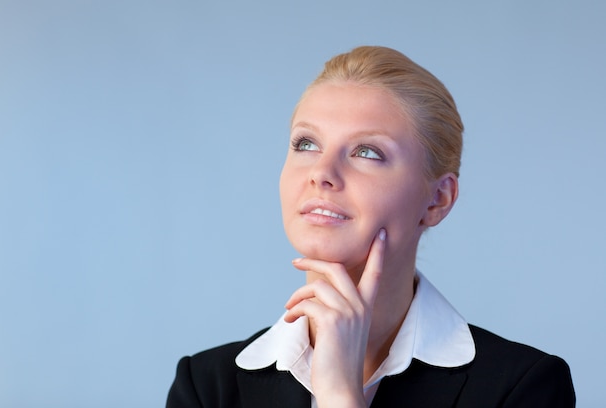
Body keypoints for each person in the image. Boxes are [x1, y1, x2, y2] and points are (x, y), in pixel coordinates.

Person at [166, 46, 575, 407]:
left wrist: (340, 396)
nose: (322, 173)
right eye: (305, 143)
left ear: (437, 200)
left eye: (367, 152)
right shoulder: (206, 387)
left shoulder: (525, 387)